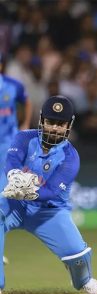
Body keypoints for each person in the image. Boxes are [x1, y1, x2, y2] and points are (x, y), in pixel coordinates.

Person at [0, 95, 97, 294]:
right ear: (42, 120)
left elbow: (51, 192)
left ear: (69, 125)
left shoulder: (70, 157)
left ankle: (84, 280)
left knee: (78, 256)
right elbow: (12, 159)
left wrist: (29, 191)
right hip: (15, 204)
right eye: (50, 122)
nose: (54, 128)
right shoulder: (24, 137)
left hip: (48, 212)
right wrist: (13, 175)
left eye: (60, 124)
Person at [0, 53, 33, 267]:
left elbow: (27, 101)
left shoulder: (13, 86)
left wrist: (25, 123)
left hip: (6, 146)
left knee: (4, 198)